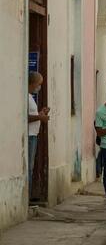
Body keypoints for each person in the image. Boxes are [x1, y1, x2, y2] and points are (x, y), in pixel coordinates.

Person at [28, 72, 49, 200]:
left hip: (33, 135)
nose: (39, 87)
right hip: (29, 136)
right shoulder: (25, 97)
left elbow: (33, 116)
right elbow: (25, 117)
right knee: (29, 168)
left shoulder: (31, 97)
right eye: (39, 84)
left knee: (31, 167)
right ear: (33, 83)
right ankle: (28, 197)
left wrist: (41, 113)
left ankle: (29, 195)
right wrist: (40, 117)